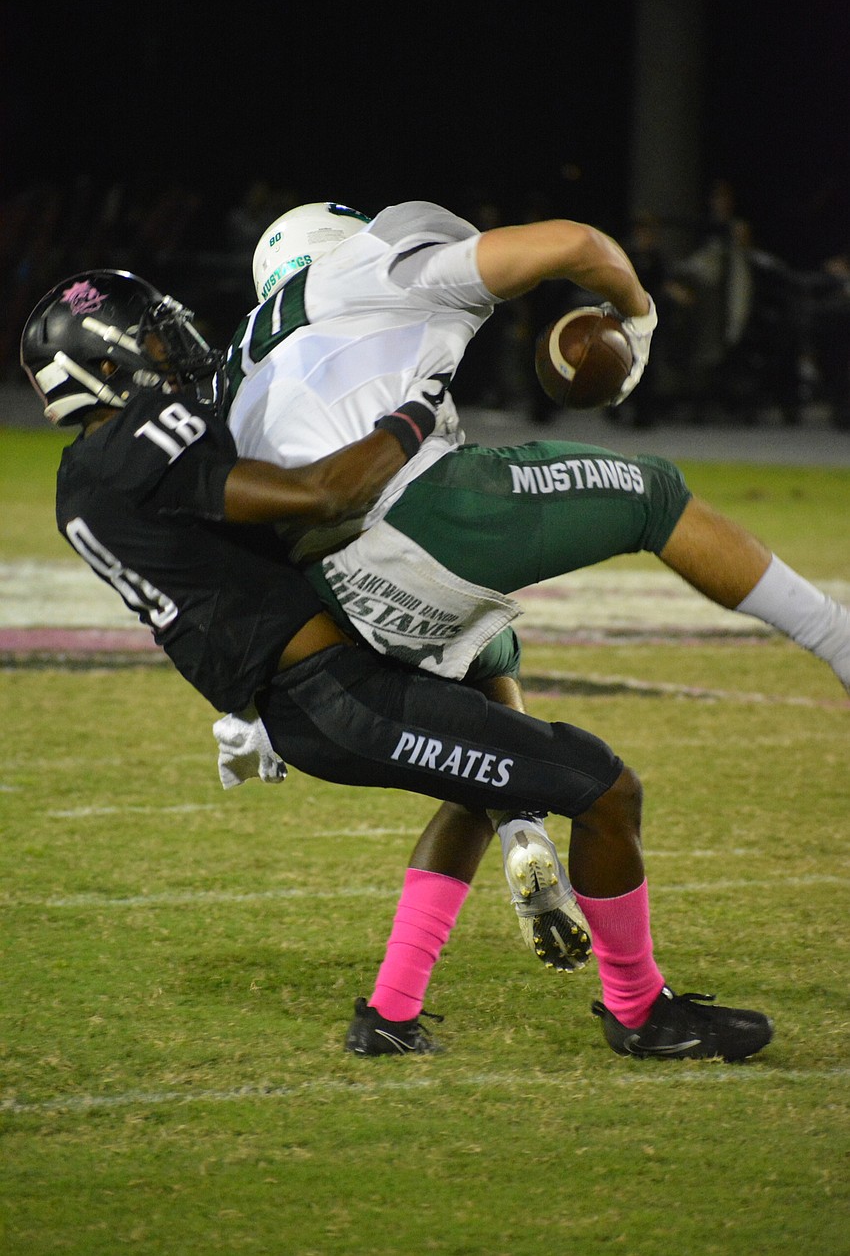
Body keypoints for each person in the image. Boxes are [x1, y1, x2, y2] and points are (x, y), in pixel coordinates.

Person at [20, 267, 775, 1063]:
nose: (171, 347)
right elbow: (324, 491)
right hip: (339, 697)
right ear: (103, 366)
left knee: (479, 785)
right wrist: (416, 406)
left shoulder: (83, 480)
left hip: (316, 693)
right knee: (605, 788)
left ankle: (389, 1014)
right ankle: (641, 1012)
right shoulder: (132, 445)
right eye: (150, 339)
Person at [220, 198, 850, 1008]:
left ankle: (443, 934)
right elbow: (576, 243)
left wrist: (249, 704)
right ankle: (837, 638)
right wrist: (637, 317)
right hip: (404, 523)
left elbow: (222, 535)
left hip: (329, 600)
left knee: (483, 689)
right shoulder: (371, 266)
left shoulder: (236, 368)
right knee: (652, 494)